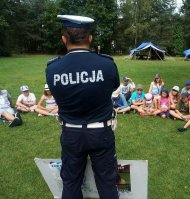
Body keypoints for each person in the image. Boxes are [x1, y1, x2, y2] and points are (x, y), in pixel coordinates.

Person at [46, 15, 120, 199]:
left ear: (64, 39)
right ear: (90, 38)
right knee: (107, 182)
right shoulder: (107, 64)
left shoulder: (52, 69)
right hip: (101, 133)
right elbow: (113, 87)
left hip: (71, 134)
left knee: (70, 182)